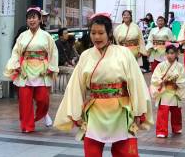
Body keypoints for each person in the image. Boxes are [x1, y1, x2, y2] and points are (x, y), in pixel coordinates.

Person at [54, 13, 153, 157]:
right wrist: (75, 112)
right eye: (93, 33)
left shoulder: (124, 53)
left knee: (125, 152)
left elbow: (136, 83)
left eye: (101, 33)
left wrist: (139, 110)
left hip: (120, 109)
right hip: (95, 110)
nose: (97, 37)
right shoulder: (86, 55)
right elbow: (75, 86)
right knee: (92, 151)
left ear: (109, 33)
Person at [4, 6, 59, 133]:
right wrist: (16, 65)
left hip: (41, 70)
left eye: (34, 17)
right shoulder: (22, 36)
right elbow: (16, 52)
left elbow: (53, 52)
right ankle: (27, 126)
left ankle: (42, 113)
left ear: (40, 19)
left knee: (42, 99)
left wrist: (51, 68)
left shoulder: (46, 36)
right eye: (29, 18)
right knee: (25, 100)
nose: (31, 20)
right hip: (25, 70)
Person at [150, 42, 185, 138]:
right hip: (164, 91)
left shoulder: (180, 66)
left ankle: (177, 127)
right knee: (163, 111)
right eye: (168, 53)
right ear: (165, 54)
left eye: (172, 53)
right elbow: (155, 78)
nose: (170, 55)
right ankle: (161, 131)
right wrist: (163, 81)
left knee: (176, 111)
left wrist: (176, 83)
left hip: (174, 91)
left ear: (176, 54)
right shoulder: (161, 65)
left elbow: (183, 78)